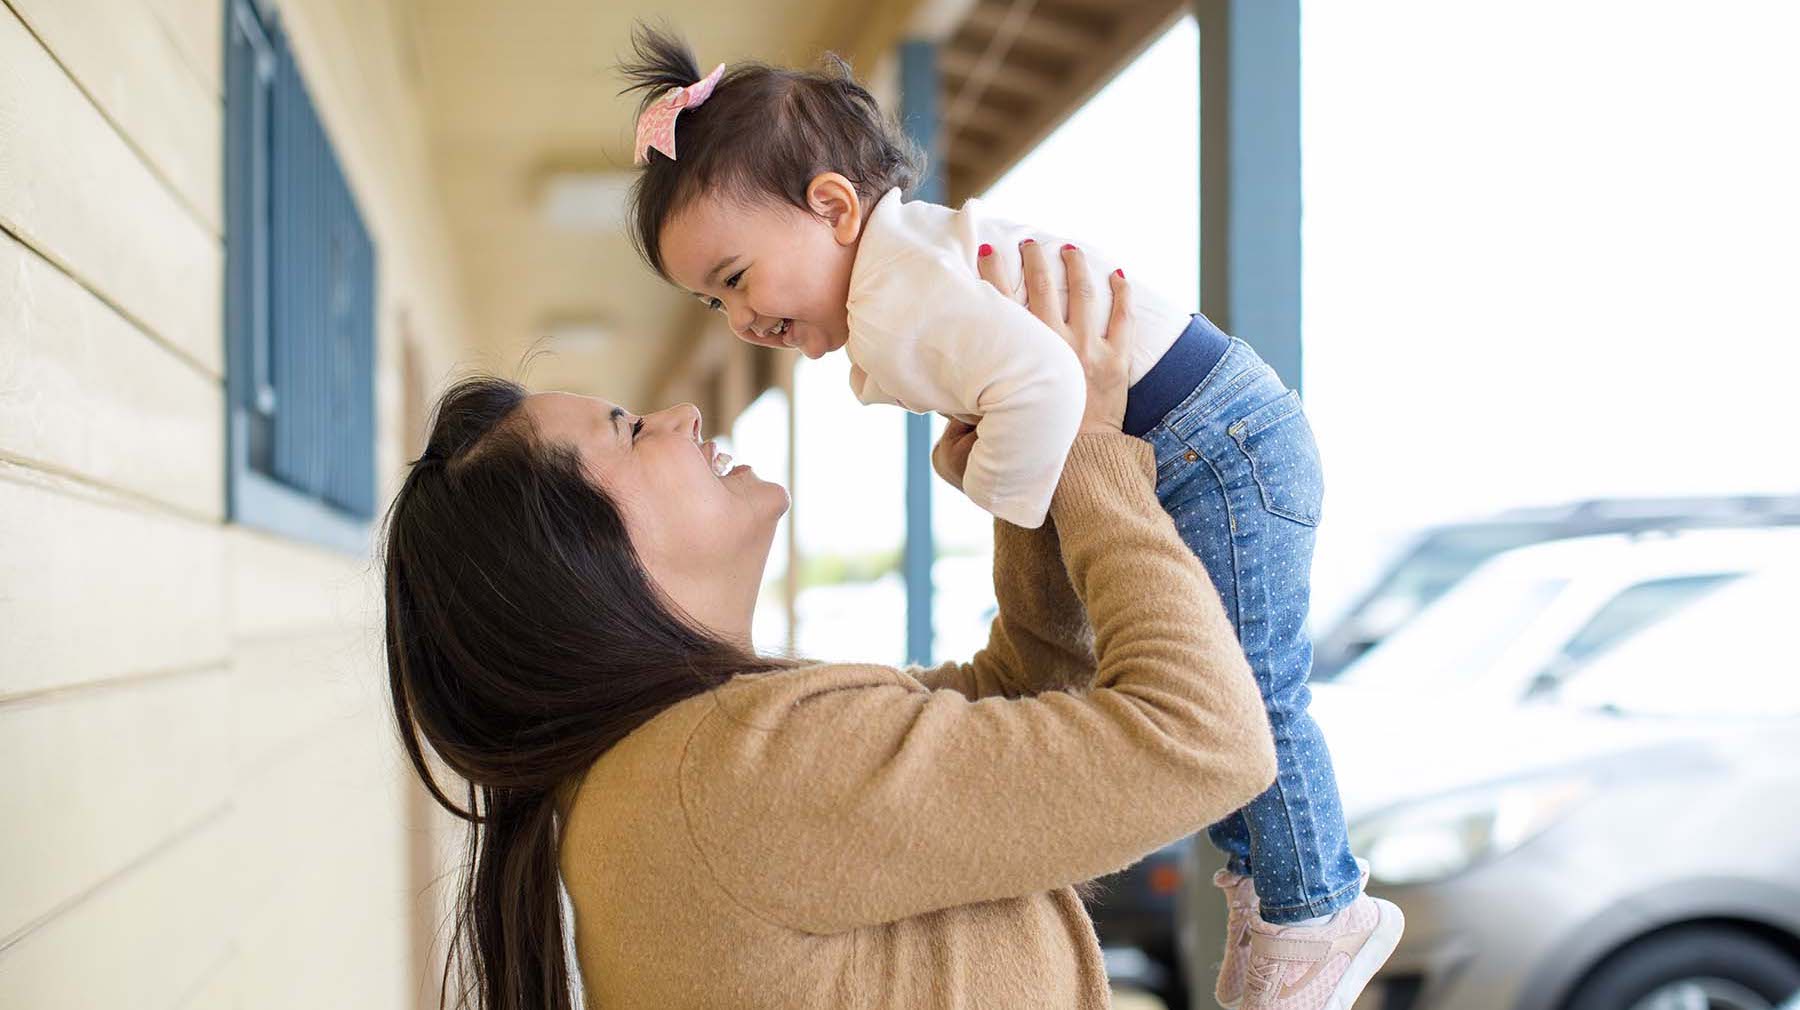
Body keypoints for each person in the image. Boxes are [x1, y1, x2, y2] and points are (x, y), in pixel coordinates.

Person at [616, 24, 1402, 1009]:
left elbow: (1046, 385)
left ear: (831, 205)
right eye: (711, 302)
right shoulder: (908, 275)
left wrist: (999, 484)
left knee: (1251, 687)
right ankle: (1282, 901)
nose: (740, 322)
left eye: (736, 278)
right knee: (1244, 672)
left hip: (1216, 442)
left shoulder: (902, 301)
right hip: (1212, 435)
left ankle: (1315, 911)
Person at [384, 242, 1276, 1008]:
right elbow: (1202, 738)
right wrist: (1087, 456)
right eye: (626, 429)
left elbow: (1012, 706)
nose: (682, 416)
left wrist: (1029, 465)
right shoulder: (730, 771)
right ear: (578, 568)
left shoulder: (681, 769)